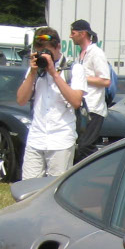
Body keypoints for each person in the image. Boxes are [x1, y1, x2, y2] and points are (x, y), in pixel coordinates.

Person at [16, 27, 83, 179]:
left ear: (58, 47)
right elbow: (21, 100)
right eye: (40, 51)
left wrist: (54, 73)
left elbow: (76, 101)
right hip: (36, 137)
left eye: (47, 51)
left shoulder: (74, 69)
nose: (44, 56)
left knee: (54, 190)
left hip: (61, 140)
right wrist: (33, 73)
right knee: (28, 189)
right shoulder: (34, 70)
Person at [68, 19, 111, 163]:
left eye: (73, 33)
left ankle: (103, 166)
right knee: (79, 145)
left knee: (86, 146)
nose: (70, 36)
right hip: (82, 107)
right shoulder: (81, 54)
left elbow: (106, 80)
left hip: (94, 108)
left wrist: (81, 78)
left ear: (83, 34)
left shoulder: (96, 53)